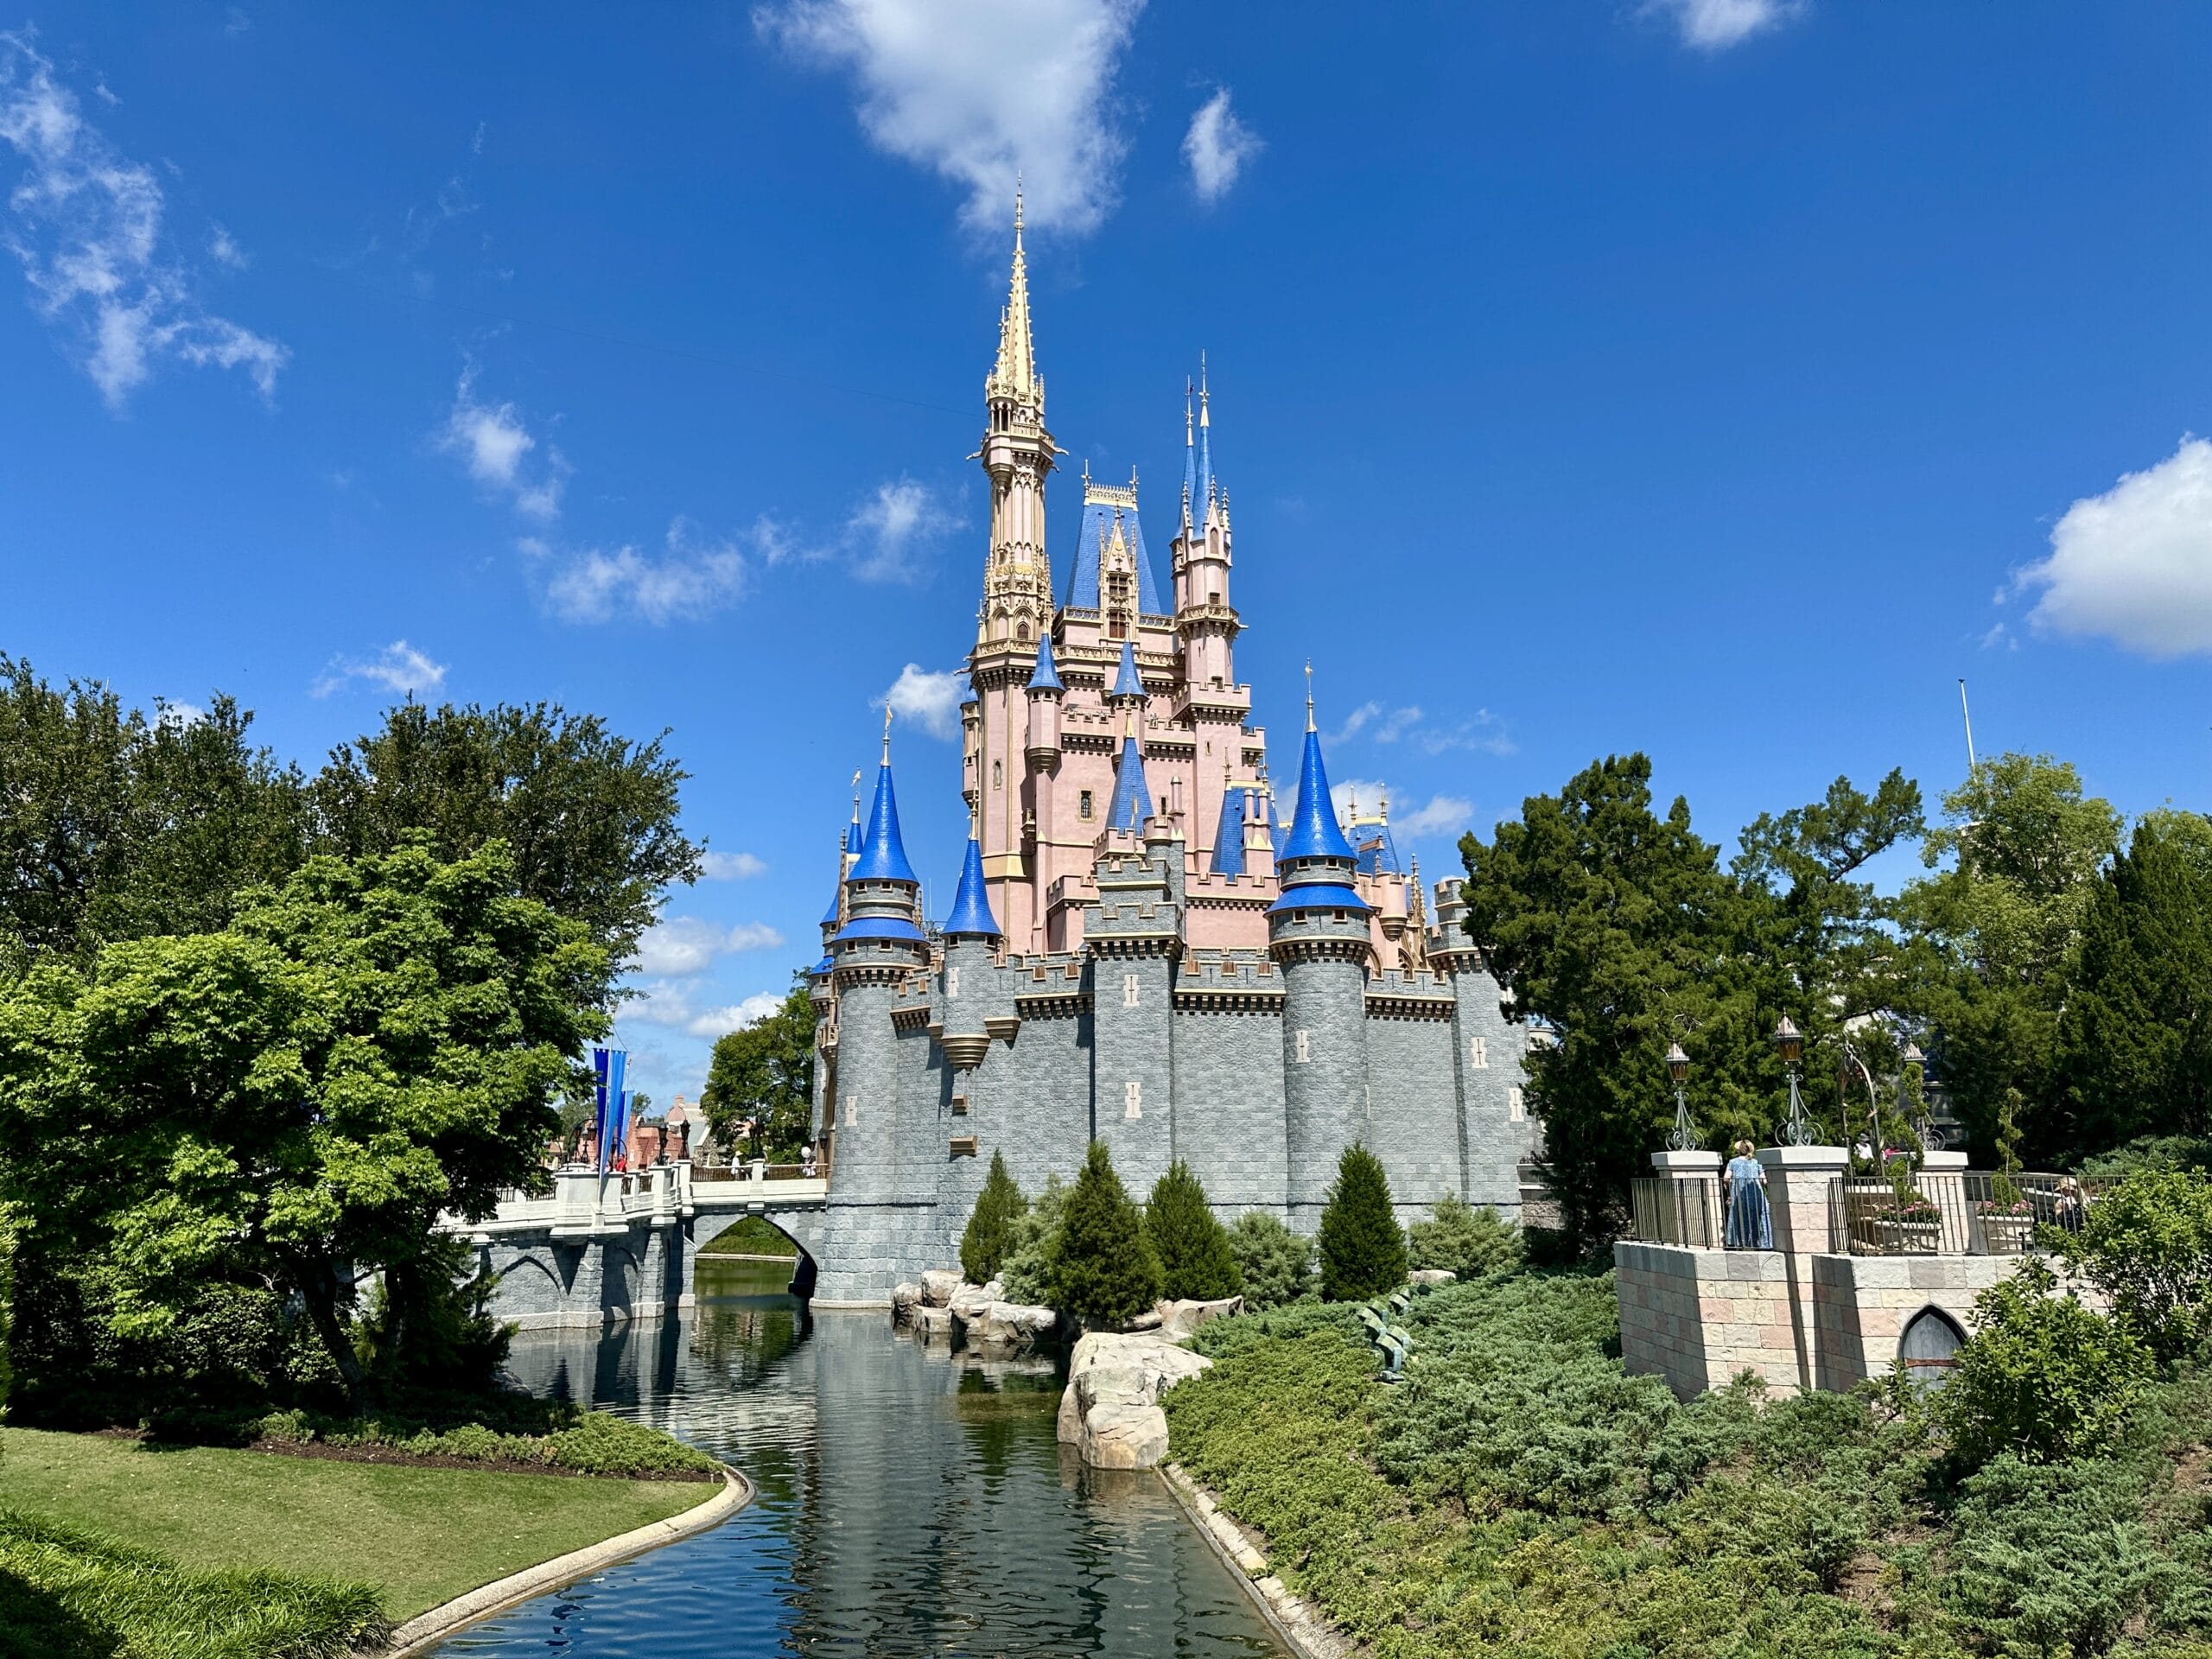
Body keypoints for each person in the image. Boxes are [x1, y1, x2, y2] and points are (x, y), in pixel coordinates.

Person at [1723, 1139, 1773, 1249]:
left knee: (1740, 1218)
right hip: (1756, 1194)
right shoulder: (1756, 1162)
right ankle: (1763, 1244)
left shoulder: (1733, 1162)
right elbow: (1764, 1180)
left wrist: (1729, 1192)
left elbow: (1726, 1178)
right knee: (1760, 1217)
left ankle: (1742, 1243)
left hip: (1739, 1196)